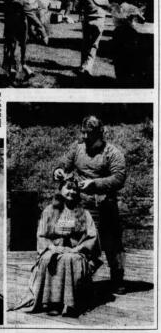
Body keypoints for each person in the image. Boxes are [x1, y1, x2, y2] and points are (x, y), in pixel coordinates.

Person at [53, 115, 126, 294]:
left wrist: (95, 184)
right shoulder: (77, 148)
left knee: (112, 243)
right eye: (83, 132)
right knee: (79, 241)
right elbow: (64, 164)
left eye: (89, 133)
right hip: (79, 204)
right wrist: (58, 171)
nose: (84, 137)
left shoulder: (112, 153)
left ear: (100, 133)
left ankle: (117, 280)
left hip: (104, 204)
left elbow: (119, 178)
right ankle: (81, 279)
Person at [12, 178, 101, 316]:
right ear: (60, 190)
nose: (71, 191)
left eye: (75, 189)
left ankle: (71, 303)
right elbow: (41, 235)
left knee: (69, 259)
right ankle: (53, 302)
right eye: (68, 188)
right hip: (54, 248)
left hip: (76, 250)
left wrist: (77, 249)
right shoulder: (49, 211)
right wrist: (52, 247)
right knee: (49, 258)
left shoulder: (84, 213)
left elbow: (92, 237)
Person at [77, 0, 110, 77]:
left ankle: (83, 66)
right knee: (94, 45)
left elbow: (78, 8)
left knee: (85, 43)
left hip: (88, 20)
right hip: (99, 20)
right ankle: (88, 67)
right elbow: (106, 4)